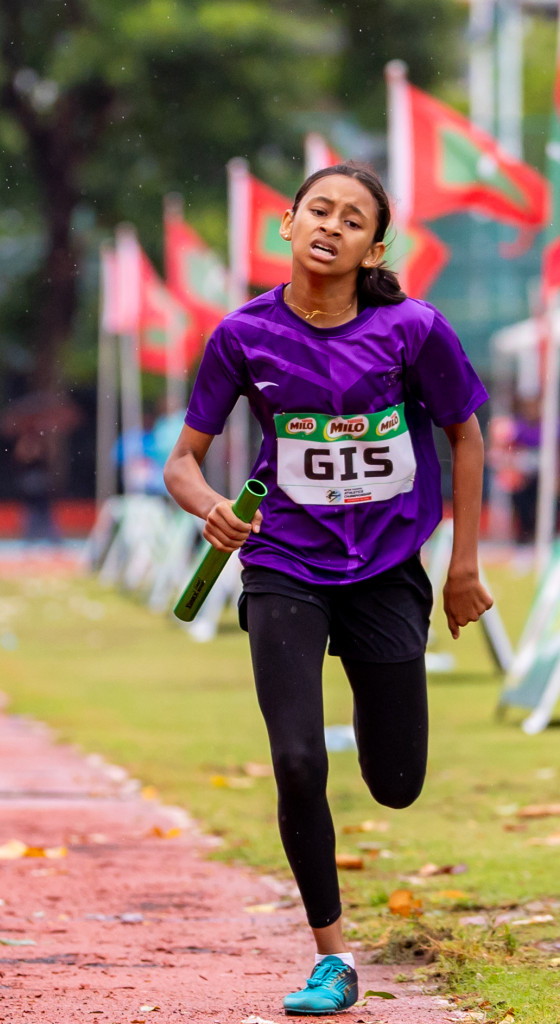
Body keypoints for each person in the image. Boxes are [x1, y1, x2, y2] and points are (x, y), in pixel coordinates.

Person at [164, 163, 491, 1016]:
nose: (331, 225)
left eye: (353, 219)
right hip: (284, 563)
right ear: (287, 222)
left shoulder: (414, 330)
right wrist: (209, 511)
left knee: (396, 781)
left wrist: (463, 566)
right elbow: (183, 460)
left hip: (387, 566)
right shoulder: (242, 336)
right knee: (298, 759)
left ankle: (375, 698)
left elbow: (466, 434)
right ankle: (333, 956)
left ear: (373, 247)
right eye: (320, 209)